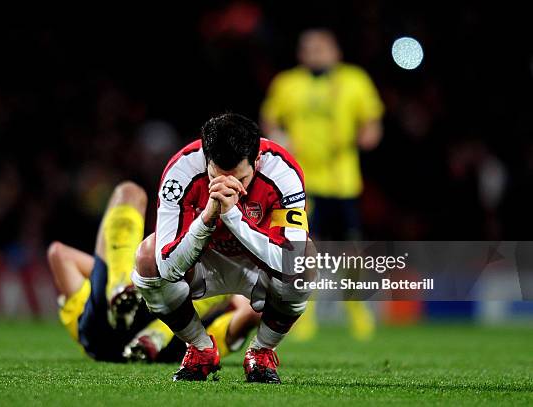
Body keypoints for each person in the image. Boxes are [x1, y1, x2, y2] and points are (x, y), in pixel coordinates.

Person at [132, 113, 311, 383]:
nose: (228, 186)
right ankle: (200, 348)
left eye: (240, 179)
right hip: (204, 262)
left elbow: (290, 259)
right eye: (216, 176)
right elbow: (167, 266)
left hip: (258, 264)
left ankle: (261, 352)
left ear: (257, 161)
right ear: (206, 159)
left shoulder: (283, 172)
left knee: (305, 260)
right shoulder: (180, 172)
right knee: (147, 257)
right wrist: (207, 218)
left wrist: (232, 216)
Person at [47, 181, 260, 362]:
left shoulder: (88, 332)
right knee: (221, 278)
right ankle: (159, 332)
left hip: (104, 333)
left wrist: (120, 268)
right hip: (171, 347)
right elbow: (252, 312)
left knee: (129, 192)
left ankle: (121, 284)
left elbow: (58, 253)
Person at [261, 28, 384, 341]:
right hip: (301, 181)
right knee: (302, 244)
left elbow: (372, 122)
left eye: (322, 48)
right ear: (301, 54)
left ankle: (356, 309)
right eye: (309, 49)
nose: (316, 54)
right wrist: (279, 138)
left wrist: (367, 134)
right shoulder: (287, 84)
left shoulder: (355, 80)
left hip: (343, 180)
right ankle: (304, 311)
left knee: (350, 248)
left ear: (336, 51)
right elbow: (271, 120)